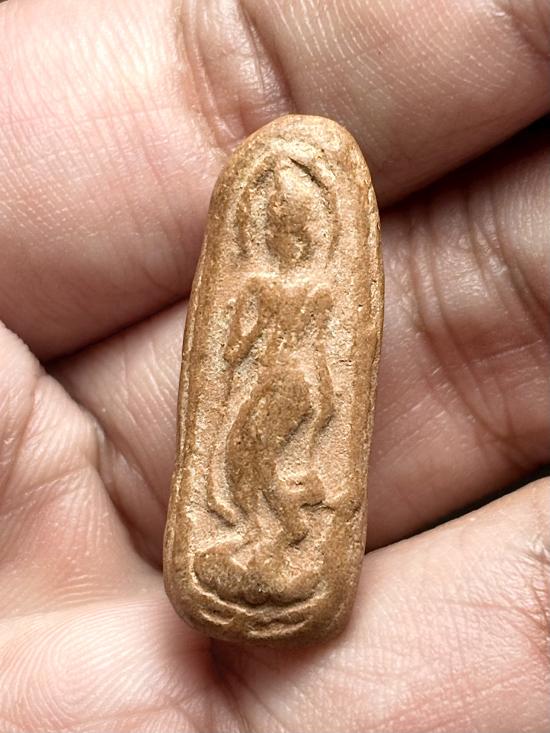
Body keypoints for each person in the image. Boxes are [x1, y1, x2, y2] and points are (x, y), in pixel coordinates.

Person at [0, 0, 548, 730]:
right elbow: (230, 351)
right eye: (279, 222)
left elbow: (310, 359)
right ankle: (278, 530)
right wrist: (240, 344)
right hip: (274, 390)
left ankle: (284, 534)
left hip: (295, 389)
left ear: (306, 228)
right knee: (237, 461)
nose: (284, 232)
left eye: (293, 222)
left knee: (250, 459)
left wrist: (308, 399)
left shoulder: (312, 289)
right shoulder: (260, 281)